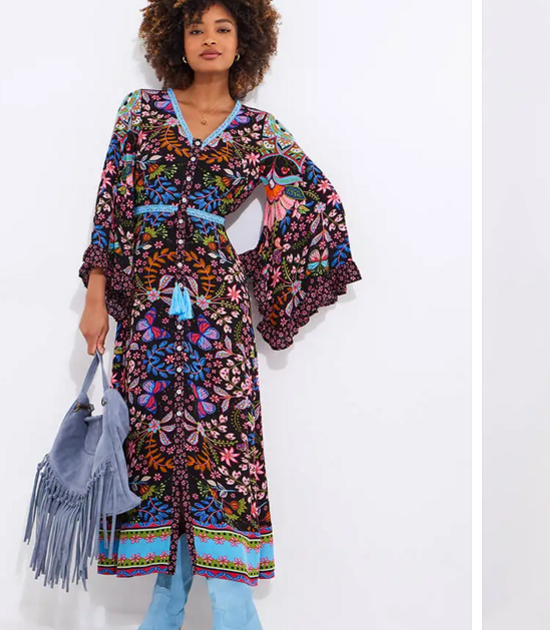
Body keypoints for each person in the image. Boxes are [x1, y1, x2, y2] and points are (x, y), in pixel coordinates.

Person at [76, 1, 361, 628]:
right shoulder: (140, 112)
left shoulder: (260, 132)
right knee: (154, 453)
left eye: (223, 28)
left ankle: (232, 611)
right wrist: (97, 295)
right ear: (176, 39)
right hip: (148, 314)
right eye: (196, 28)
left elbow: (315, 202)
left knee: (220, 454)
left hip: (217, 318)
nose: (209, 38)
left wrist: (255, 268)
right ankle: (167, 605)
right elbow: (111, 205)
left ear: (244, 41)